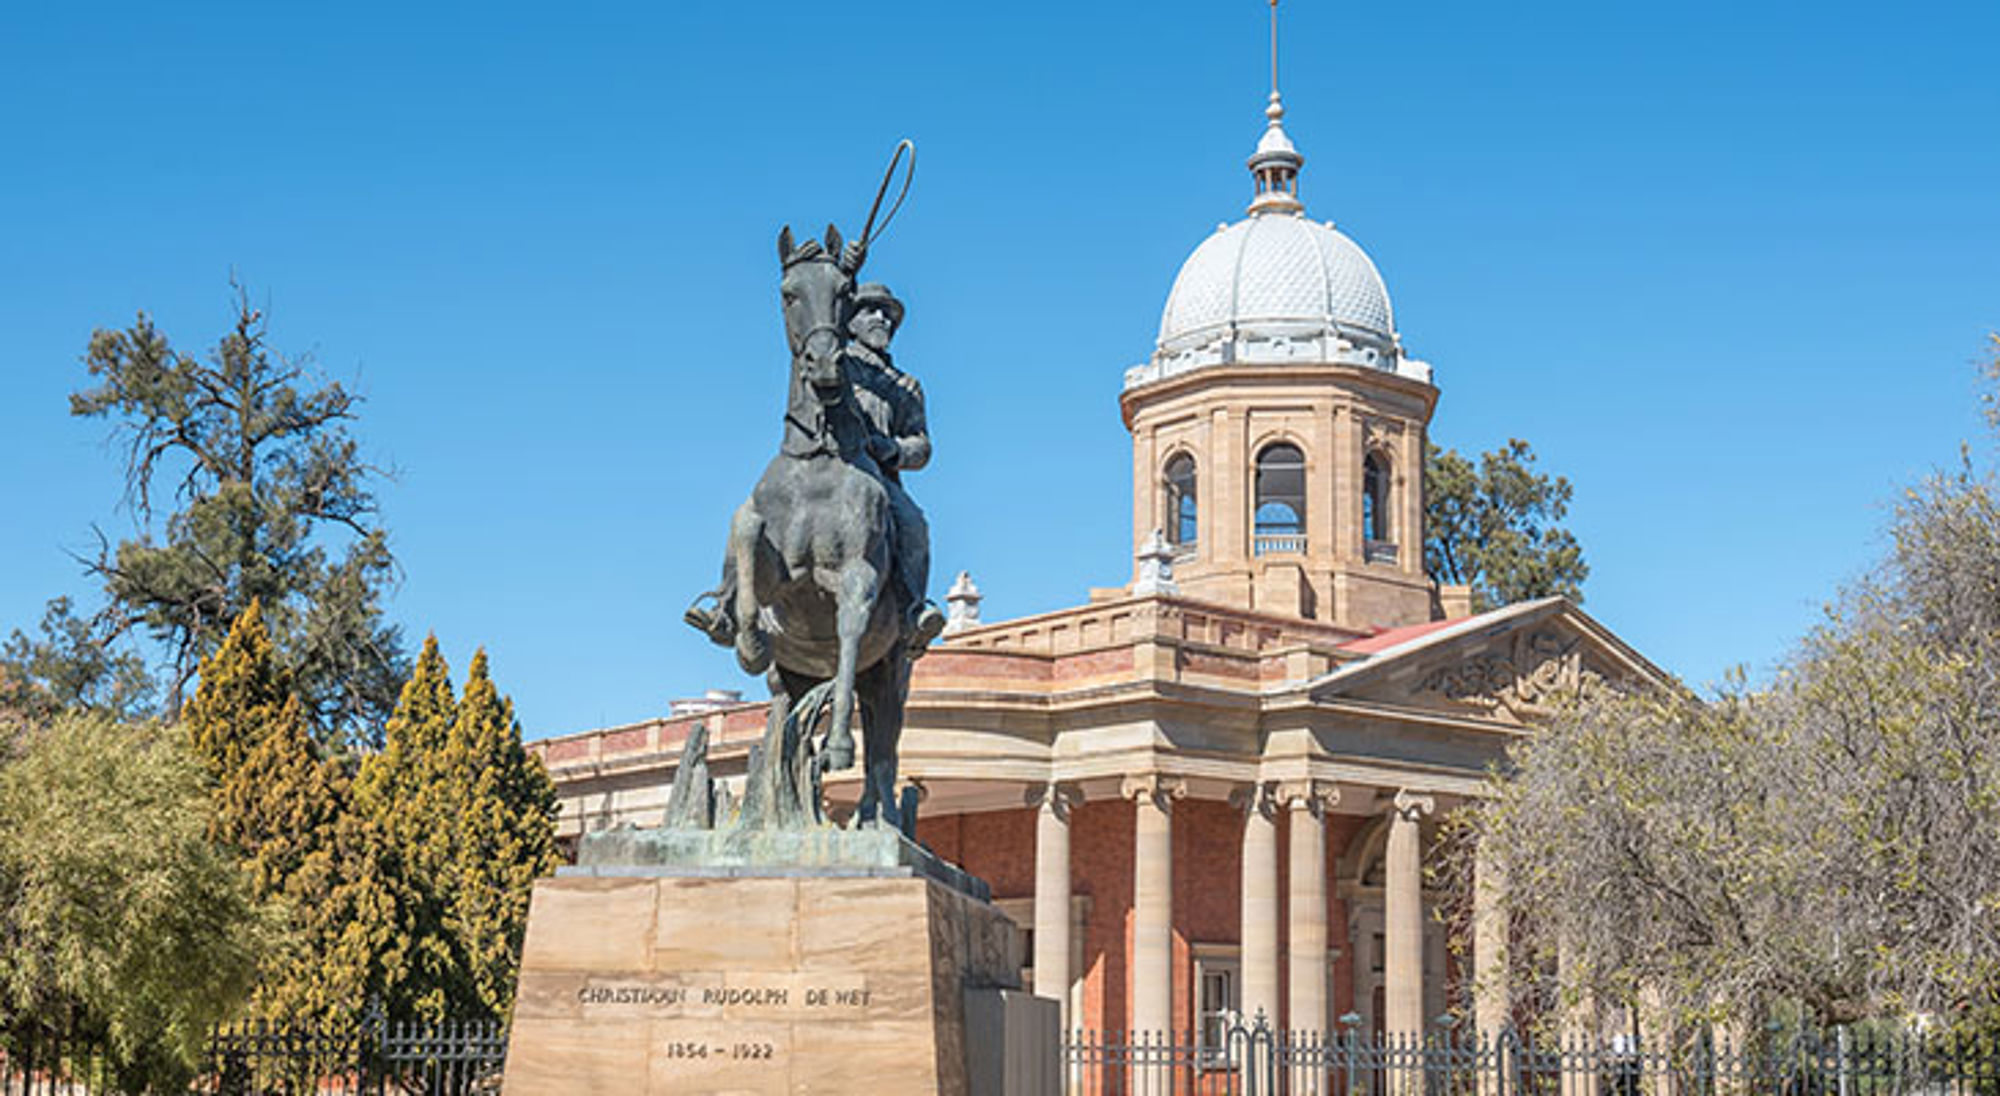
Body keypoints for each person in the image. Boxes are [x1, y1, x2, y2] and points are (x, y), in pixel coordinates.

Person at [841, 283, 945, 652]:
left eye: (887, 314)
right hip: (827, 466)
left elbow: (922, 445)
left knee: (915, 525)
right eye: (870, 310)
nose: (881, 319)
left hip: (879, 477)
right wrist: (846, 269)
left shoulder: (906, 386)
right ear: (849, 321)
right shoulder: (836, 366)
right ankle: (730, 601)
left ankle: (912, 611)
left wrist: (893, 448)